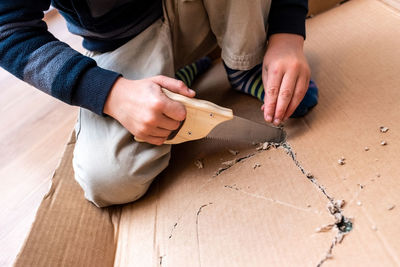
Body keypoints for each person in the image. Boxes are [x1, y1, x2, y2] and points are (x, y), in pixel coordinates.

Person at [0, 0, 318, 207]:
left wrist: (286, 33)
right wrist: (110, 94)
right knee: (109, 179)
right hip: (125, 40)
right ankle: (179, 73)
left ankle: (244, 65)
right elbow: (7, 29)